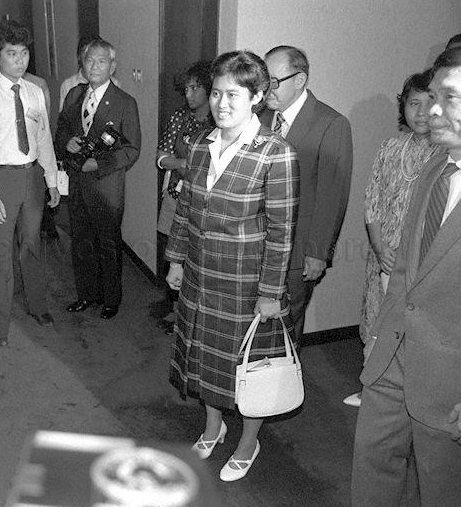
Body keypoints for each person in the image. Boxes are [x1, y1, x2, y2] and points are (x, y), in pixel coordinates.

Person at [166, 50, 299, 482]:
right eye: (218, 93)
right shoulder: (202, 146)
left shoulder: (274, 154)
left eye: (234, 95)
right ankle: (213, 426)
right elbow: (185, 209)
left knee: (245, 368)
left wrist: (270, 293)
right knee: (204, 356)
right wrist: (176, 260)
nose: (222, 104)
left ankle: (247, 442)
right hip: (201, 276)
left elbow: (282, 233)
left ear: (257, 96)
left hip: (245, 283)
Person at [351, 47, 461, 507]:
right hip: (391, 356)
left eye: (450, 98)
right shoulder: (436, 166)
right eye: (431, 96)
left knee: (442, 488)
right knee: (373, 471)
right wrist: (379, 334)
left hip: (449, 378)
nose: (433, 110)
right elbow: (406, 271)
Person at [344, 71, 442, 407]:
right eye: (413, 103)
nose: (420, 112)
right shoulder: (390, 147)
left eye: (429, 103)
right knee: (376, 320)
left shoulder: (448, 156)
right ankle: (371, 388)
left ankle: (410, 398)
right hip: (382, 255)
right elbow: (371, 200)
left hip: (424, 262)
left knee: (414, 329)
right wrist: (379, 244)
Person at [0, 21, 61, 347]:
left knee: (33, 244)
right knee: (0, 251)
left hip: (33, 176)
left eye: (23, 53)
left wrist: (51, 180)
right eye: (11, 54)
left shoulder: (35, 93)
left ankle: (37, 305)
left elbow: (44, 139)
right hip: (1, 178)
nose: (19, 60)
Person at [262, 45, 353, 339]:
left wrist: (318, 253)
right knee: (256, 324)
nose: (268, 90)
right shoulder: (261, 119)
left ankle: (283, 385)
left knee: (285, 329)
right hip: (256, 243)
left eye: (274, 82)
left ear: (299, 80)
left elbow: (332, 195)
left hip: (298, 250)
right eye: (265, 82)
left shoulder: (330, 123)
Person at [56, 38, 141, 320]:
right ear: (82, 63)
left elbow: (131, 150)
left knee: (107, 242)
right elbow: (61, 132)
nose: (94, 66)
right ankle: (87, 295)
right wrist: (66, 143)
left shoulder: (124, 102)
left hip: (106, 186)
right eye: (89, 60)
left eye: (101, 61)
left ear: (112, 66)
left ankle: (110, 298)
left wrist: (99, 163)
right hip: (77, 182)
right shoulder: (73, 96)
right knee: (81, 240)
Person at [151, 60, 214, 332]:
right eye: (186, 88)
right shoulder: (179, 118)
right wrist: (181, 165)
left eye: (195, 88)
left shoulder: (219, 122)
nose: (189, 94)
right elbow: (161, 157)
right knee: (172, 250)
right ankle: (175, 305)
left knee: (197, 255)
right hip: (175, 195)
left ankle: (196, 312)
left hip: (204, 203)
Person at [58, 35, 120, 112]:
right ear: (79, 56)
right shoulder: (69, 85)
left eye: (101, 60)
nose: (94, 66)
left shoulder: (113, 84)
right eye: (86, 52)